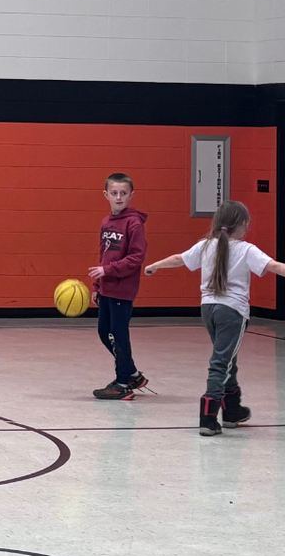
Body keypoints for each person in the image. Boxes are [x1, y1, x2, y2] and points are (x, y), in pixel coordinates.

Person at [145, 200, 285, 436]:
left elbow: (180, 258)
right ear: (242, 225)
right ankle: (208, 416)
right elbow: (274, 266)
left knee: (227, 358)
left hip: (208, 309)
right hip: (232, 312)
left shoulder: (205, 246)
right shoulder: (246, 249)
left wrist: (155, 265)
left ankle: (232, 411)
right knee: (221, 362)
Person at [88, 173, 149, 400]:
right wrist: (97, 283)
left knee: (119, 334)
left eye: (123, 193)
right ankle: (132, 373)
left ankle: (123, 383)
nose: (119, 197)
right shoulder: (106, 222)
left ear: (131, 195)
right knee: (105, 332)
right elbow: (103, 255)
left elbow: (136, 257)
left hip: (123, 288)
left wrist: (109, 271)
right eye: (114, 193)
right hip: (106, 287)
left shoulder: (134, 224)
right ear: (106, 195)